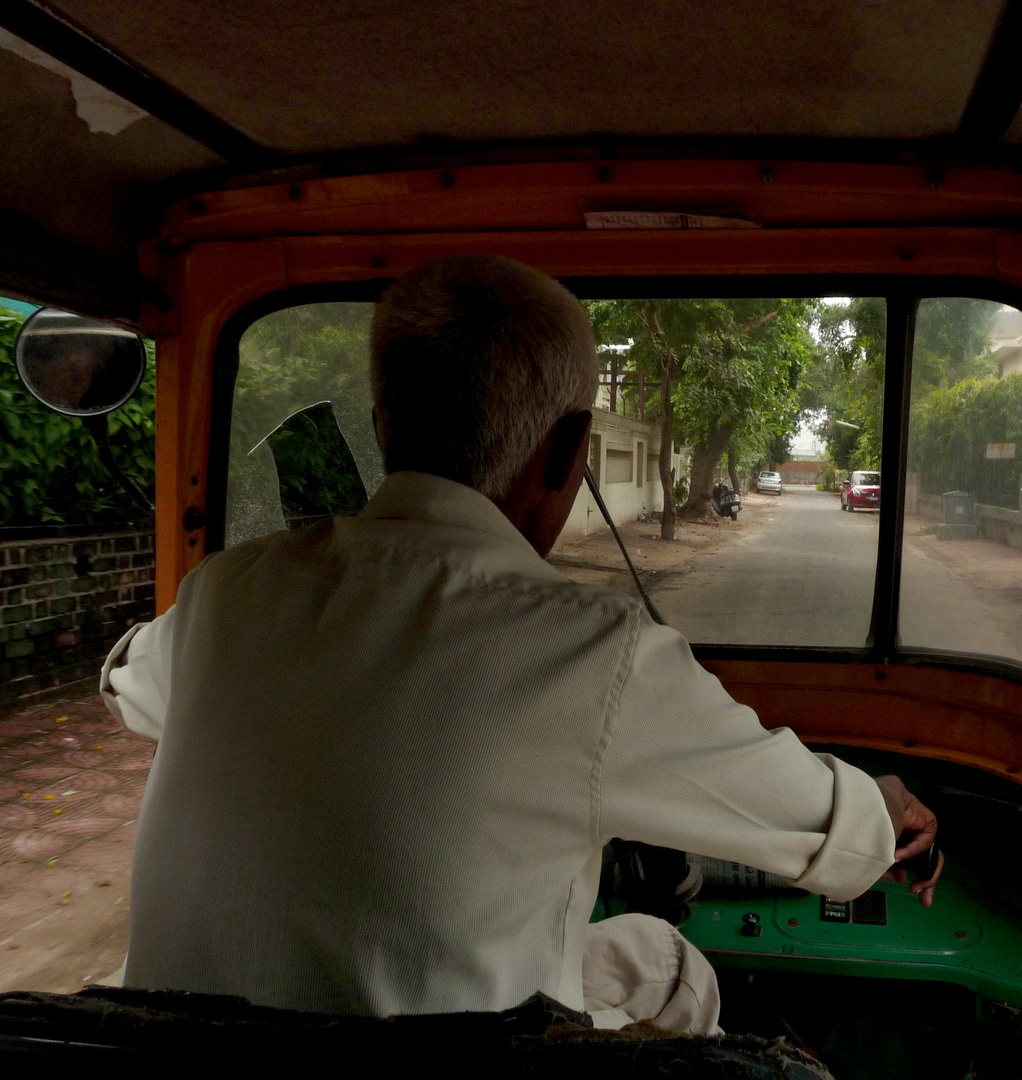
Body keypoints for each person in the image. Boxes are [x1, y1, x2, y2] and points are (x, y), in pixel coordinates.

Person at [99, 255, 942, 1035]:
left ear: (381, 425)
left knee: (646, 961)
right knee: (674, 966)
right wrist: (888, 807)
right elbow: (830, 834)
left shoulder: (225, 594)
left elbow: (126, 683)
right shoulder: (596, 655)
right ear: (571, 452)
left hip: (173, 1051)